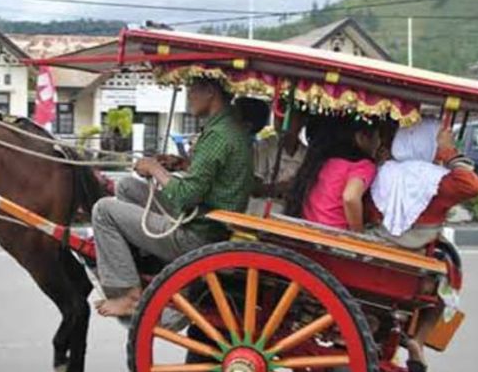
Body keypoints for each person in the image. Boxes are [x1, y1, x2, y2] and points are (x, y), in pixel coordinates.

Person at [92, 77, 254, 317]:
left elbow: (187, 196)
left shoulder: (218, 136)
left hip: (197, 233)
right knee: (126, 186)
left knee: (103, 210)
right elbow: (215, 176)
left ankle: (128, 294)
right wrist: (181, 164)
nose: (188, 97)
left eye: (192, 90)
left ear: (210, 92)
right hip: (208, 219)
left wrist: (156, 170)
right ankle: (138, 257)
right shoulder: (229, 128)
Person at [367, 119, 478, 372]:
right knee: (447, 284)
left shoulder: (383, 171)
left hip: (373, 254)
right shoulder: (437, 181)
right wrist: (449, 153)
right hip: (414, 269)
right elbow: (474, 186)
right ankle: (418, 340)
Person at [285, 117, 380, 231]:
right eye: (377, 138)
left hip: (307, 228)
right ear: (361, 137)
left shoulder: (324, 159)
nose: (378, 144)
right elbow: (350, 197)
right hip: (335, 234)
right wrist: (358, 233)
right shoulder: (364, 165)